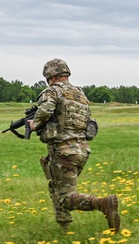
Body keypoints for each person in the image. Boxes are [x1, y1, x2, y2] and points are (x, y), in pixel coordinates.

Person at [29, 59, 120, 231]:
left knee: (65, 197)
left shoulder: (52, 92)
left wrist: (34, 124)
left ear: (51, 76)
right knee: (56, 184)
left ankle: (103, 203)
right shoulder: (80, 94)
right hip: (82, 150)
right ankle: (64, 225)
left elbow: (46, 110)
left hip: (64, 151)